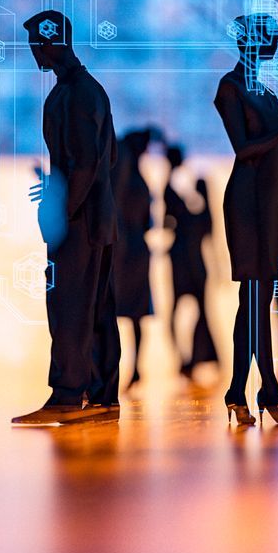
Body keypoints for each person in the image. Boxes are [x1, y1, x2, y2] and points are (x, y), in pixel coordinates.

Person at [14, 9, 121, 427]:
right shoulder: (84, 91)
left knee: (69, 305)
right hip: (96, 219)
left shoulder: (74, 94)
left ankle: (67, 393)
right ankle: (101, 394)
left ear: (51, 42)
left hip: (81, 223)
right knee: (93, 309)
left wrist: (62, 209)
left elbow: (85, 164)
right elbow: (102, 159)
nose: (34, 53)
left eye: (36, 45)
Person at [214, 15, 278, 427]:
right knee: (255, 302)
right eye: (267, 37)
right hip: (248, 204)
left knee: (253, 305)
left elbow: (276, 160)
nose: (272, 43)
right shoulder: (231, 87)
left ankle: (240, 390)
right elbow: (244, 149)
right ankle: (268, 390)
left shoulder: (265, 92)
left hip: (269, 203)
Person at [160, 144, 218, 380]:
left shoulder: (179, 200)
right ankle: (194, 357)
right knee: (199, 312)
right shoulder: (197, 214)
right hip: (194, 265)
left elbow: (167, 218)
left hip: (184, 264)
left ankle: (189, 357)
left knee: (182, 312)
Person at [111, 127, 158, 387]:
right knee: (136, 314)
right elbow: (149, 222)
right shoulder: (140, 181)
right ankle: (135, 366)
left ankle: (117, 369)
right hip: (137, 251)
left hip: (124, 251)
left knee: (115, 312)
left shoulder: (122, 181)